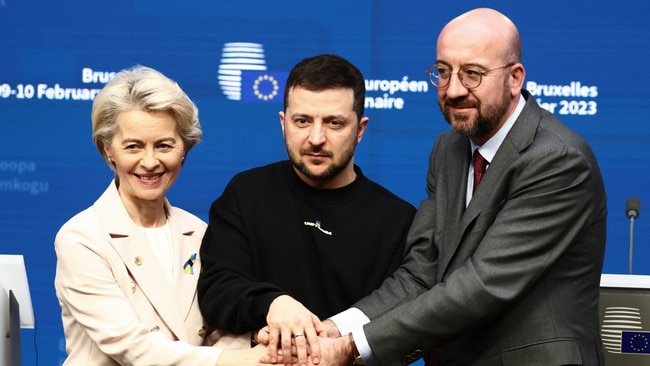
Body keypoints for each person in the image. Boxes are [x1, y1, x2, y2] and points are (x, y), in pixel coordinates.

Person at [263, 8, 608, 366]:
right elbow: (422, 270)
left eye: (472, 74)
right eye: (443, 72)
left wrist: (353, 346)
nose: (454, 90)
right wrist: (333, 330)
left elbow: (483, 284)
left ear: (514, 78)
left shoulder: (557, 159)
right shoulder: (449, 150)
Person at [197, 54, 416, 364]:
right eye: (303, 121)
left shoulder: (397, 221)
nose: (316, 138)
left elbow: (403, 326)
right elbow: (216, 290)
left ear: (361, 129)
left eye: (334, 123)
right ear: (283, 123)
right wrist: (273, 303)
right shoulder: (246, 193)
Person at [54, 65, 266, 365]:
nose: (150, 162)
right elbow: (133, 347)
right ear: (107, 150)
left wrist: (254, 346)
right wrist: (239, 362)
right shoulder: (81, 237)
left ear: (184, 150)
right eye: (133, 146)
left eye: (164, 145)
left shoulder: (199, 231)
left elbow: (218, 330)